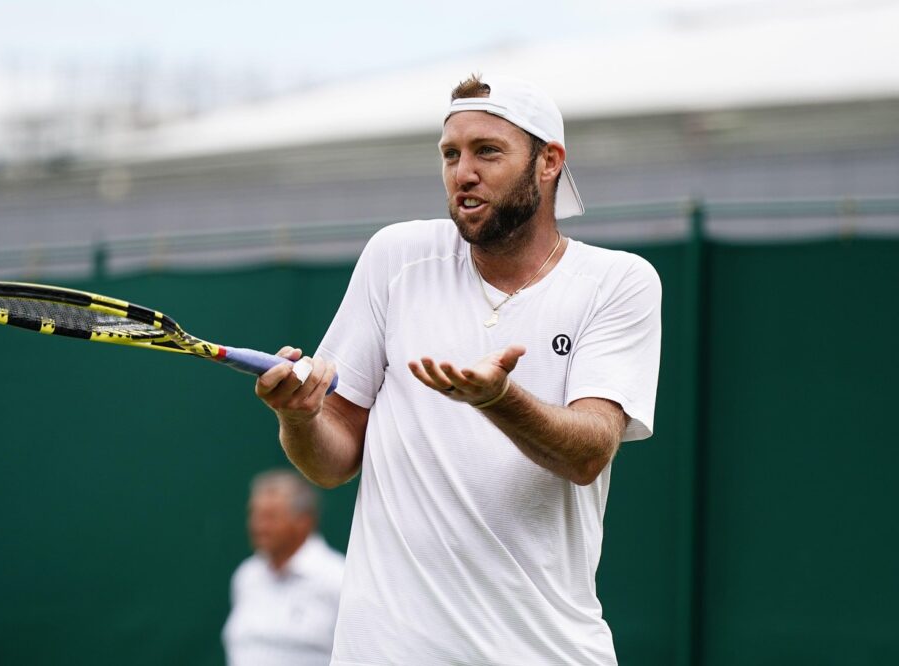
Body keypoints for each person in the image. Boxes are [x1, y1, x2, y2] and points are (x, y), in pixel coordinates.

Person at [255, 74, 662, 665]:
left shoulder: (619, 282)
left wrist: (499, 400)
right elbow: (333, 459)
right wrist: (299, 417)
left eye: (487, 152)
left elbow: (589, 453)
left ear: (548, 162)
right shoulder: (395, 257)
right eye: (451, 154)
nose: (462, 172)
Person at [222, 469, 345, 666]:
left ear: (303, 521)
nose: (259, 527)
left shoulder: (338, 579)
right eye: (255, 515)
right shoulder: (246, 576)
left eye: (270, 517)